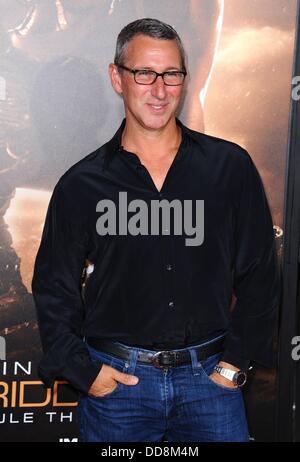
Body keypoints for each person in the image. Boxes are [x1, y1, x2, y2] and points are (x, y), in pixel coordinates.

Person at [32, 18, 280, 442]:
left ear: (185, 77)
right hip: (118, 393)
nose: (160, 90)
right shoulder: (82, 184)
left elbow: (260, 275)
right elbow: (54, 287)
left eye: (171, 74)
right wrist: (85, 372)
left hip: (211, 386)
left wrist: (232, 365)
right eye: (145, 73)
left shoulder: (229, 168)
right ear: (117, 77)